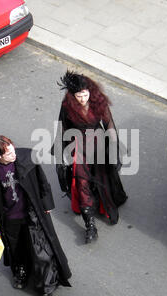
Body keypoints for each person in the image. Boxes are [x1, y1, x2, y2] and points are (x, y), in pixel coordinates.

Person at [0, 136, 71, 296]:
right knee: (16, 248)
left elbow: (42, 182)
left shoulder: (27, 158)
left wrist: (46, 204)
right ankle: (21, 271)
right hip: (10, 217)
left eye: (13, 149)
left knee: (41, 250)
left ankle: (46, 287)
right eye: (8, 153)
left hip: (31, 213)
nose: (13, 154)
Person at [52, 70, 128, 244]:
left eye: (84, 95)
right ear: (72, 95)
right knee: (82, 182)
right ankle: (90, 225)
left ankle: (105, 203)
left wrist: (115, 146)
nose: (82, 99)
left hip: (99, 144)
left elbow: (109, 124)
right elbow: (62, 131)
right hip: (78, 147)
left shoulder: (98, 101)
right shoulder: (67, 106)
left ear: (90, 91)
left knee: (103, 177)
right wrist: (61, 158)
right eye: (78, 96)